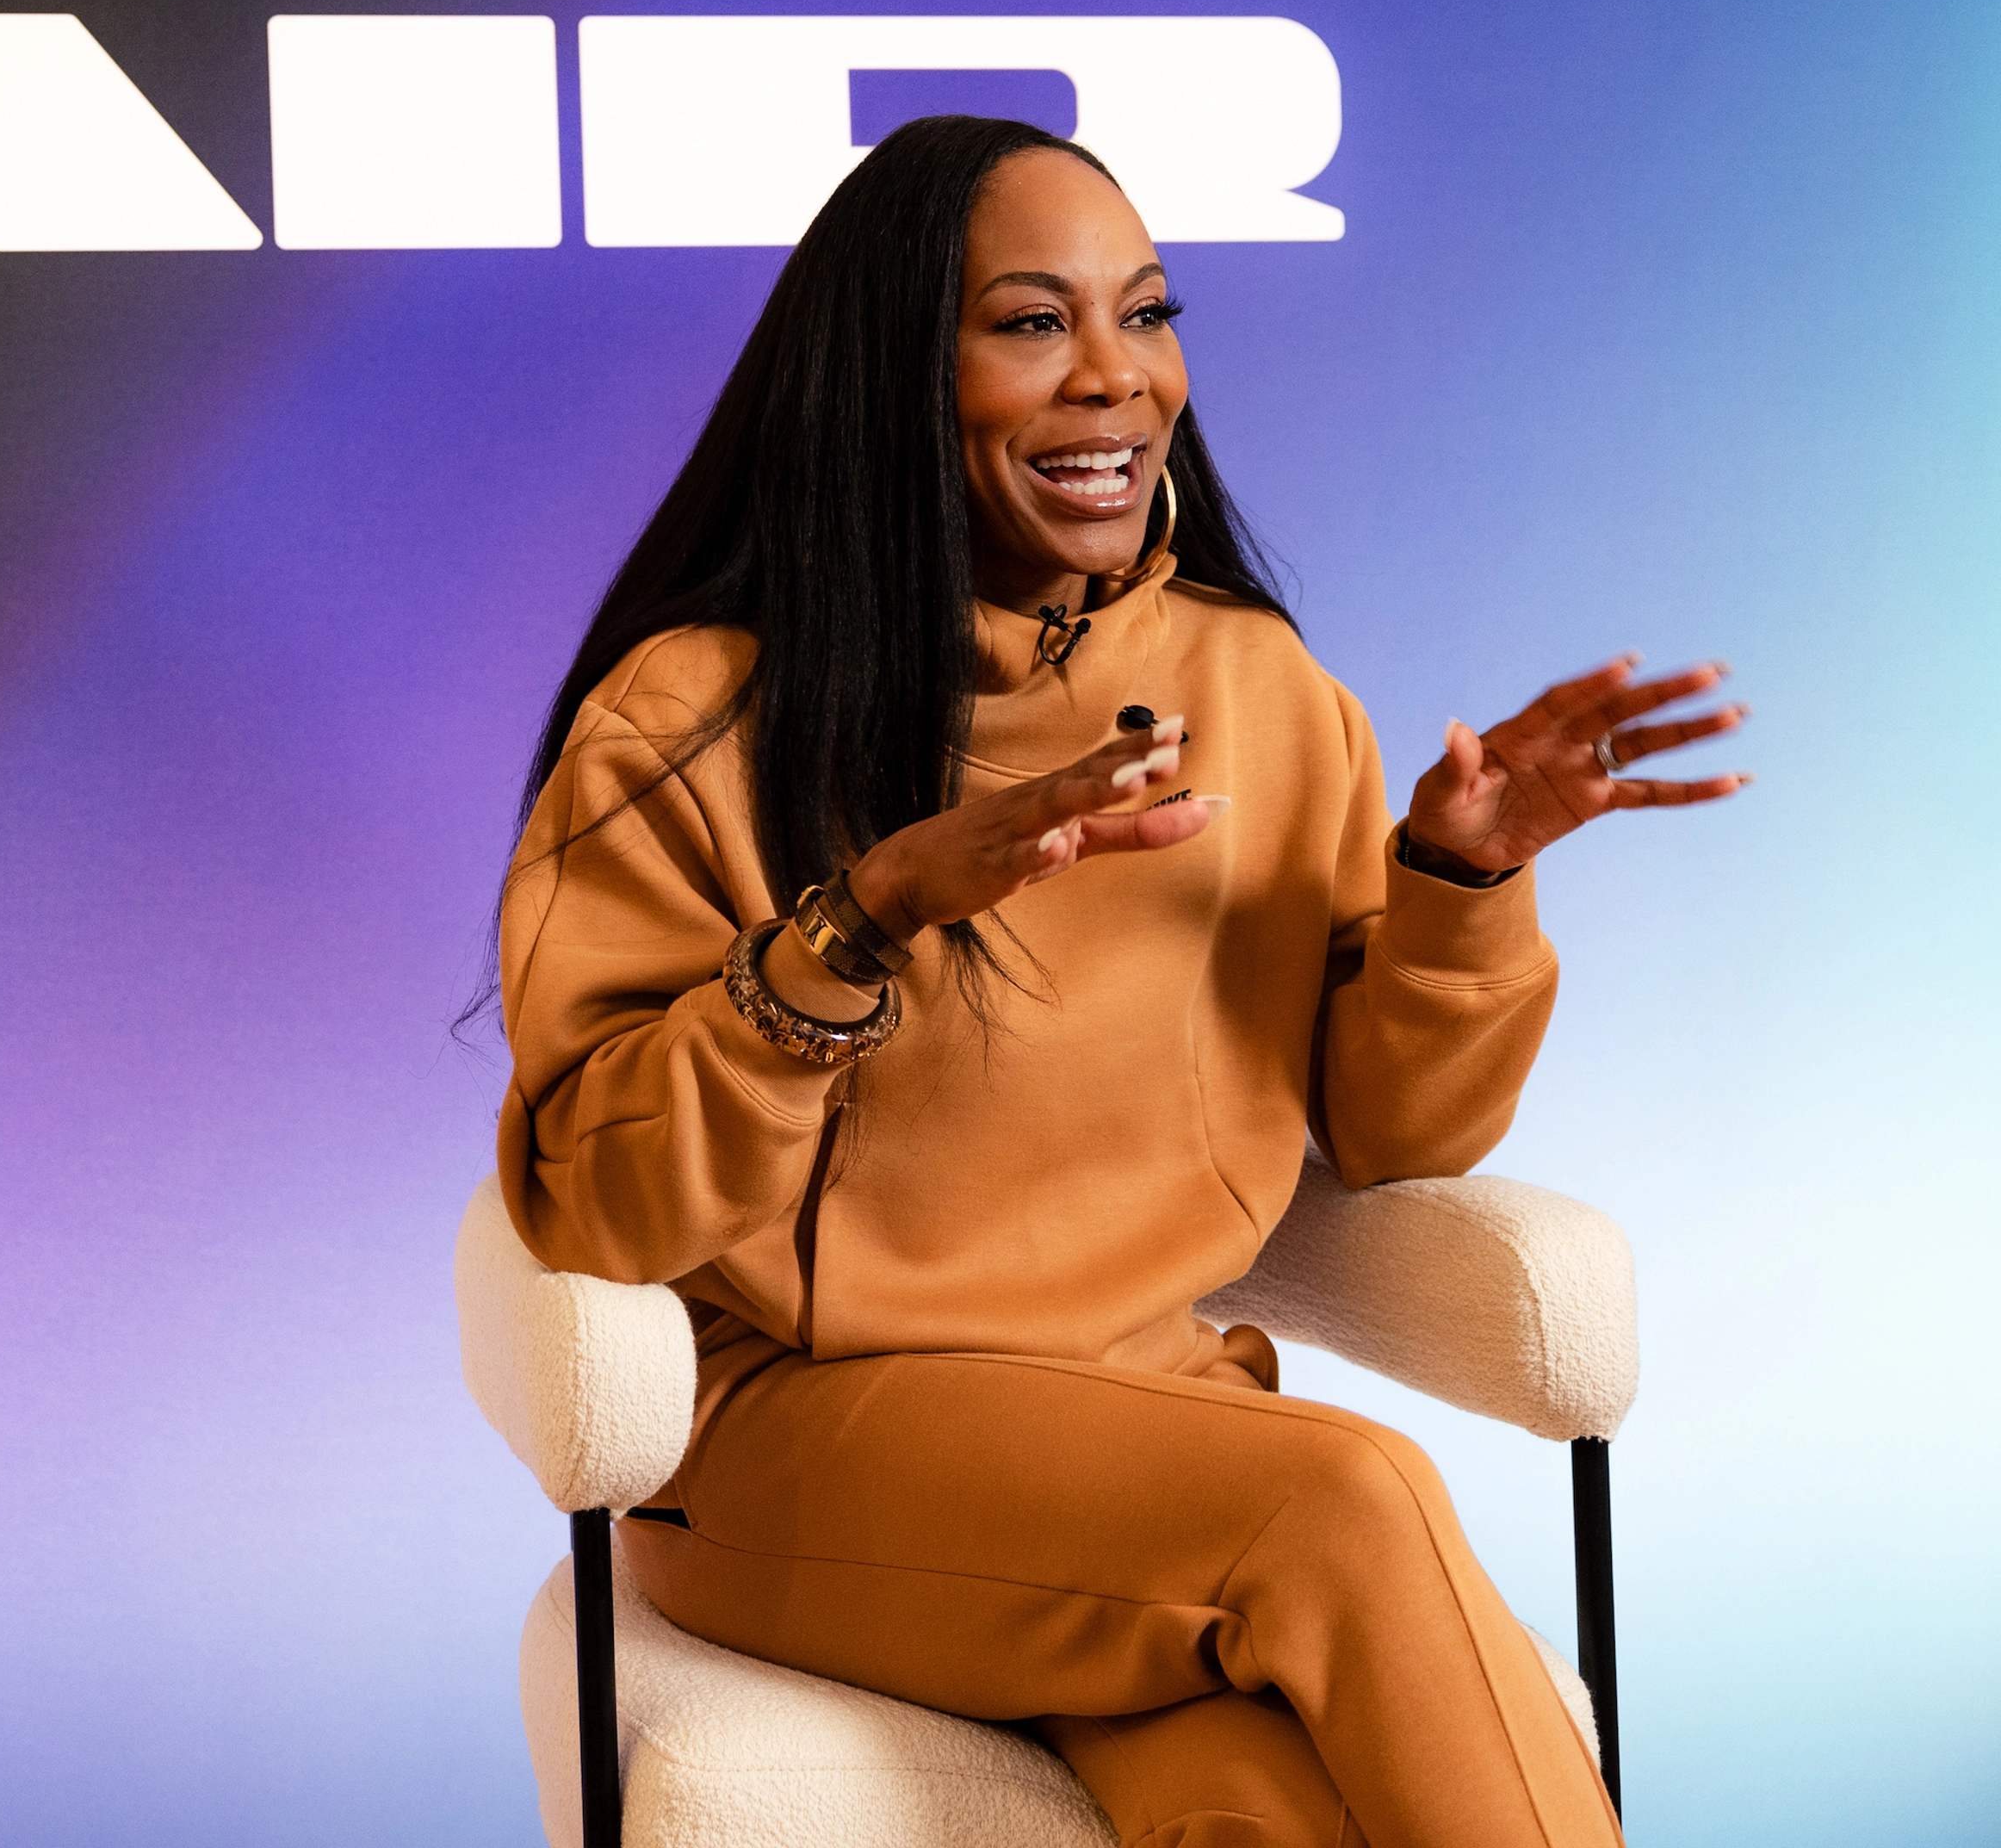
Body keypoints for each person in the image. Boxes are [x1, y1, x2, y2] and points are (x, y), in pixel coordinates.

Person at [493, 115, 1746, 1848]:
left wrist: (1463, 874)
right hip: (806, 1442)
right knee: (1350, 1495)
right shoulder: (691, 714)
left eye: (1146, 315)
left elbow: (1389, 1133)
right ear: (893, 372)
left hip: (1157, 1442)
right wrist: (857, 920)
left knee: (1274, 1808)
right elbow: (602, 1206)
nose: (1117, 379)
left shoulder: (1258, 683)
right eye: (1031, 323)